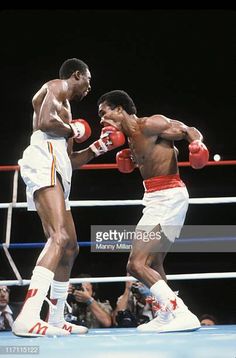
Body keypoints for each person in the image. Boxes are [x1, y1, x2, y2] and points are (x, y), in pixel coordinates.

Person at [12, 59, 125, 337]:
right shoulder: (56, 86)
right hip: (43, 161)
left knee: (71, 246)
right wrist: (75, 129)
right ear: (77, 75)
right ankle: (27, 317)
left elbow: (72, 160)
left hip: (59, 169)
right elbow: (44, 122)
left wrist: (100, 147)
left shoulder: (68, 112)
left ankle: (58, 317)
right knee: (58, 238)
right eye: (88, 80)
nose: (89, 87)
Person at [97, 90, 209, 333]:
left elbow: (187, 129)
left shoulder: (150, 124)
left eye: (103, 113)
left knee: (136, 264)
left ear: (119, 109)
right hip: (155, 197)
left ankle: (181, 312)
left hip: (168, 195)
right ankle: (166, 316)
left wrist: (197, 144)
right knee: (154, 262)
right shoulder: (129, 140)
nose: (101, 120)